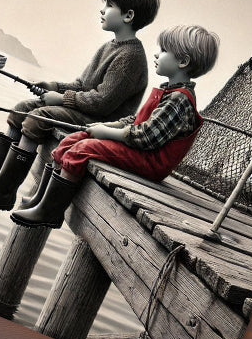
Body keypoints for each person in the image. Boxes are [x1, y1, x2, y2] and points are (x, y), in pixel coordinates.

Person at [0, 0, 160, 211]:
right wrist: (53, 86)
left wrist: (61, 99)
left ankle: (3, 191)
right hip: (85, 111)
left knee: (38, 118)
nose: (102, 10)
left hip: (100, 122)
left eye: (109, 5)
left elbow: (101, 103)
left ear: (128, 15)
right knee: (21, 108)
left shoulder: (130, 58)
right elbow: (82, 85)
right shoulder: (109, 47)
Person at [11, 24, 220, 229]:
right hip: (140, 150)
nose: (157, 54)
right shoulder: (169, 91)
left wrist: (106, 133)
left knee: (83, 149)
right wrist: (105, 125)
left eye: (164, 51)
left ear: (183, 61)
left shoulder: (179, 100)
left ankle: (51, 211)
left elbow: (145, 137)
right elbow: (136, 121)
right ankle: (43, 200)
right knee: (73, 139)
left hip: (150, 161)